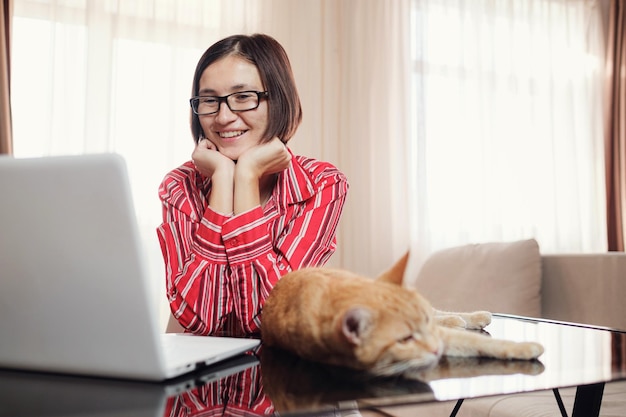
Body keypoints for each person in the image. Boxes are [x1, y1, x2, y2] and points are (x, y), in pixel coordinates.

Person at [157, 34, 349, 337]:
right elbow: (198, 317)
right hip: (199, 384)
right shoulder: (179, 186)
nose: (223, 116)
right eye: (209, 100)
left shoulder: (322, 184)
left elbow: (267, 317)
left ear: (278, 100)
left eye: (243, 97)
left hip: (276, 381)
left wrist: (246, 176)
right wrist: (223, 178)